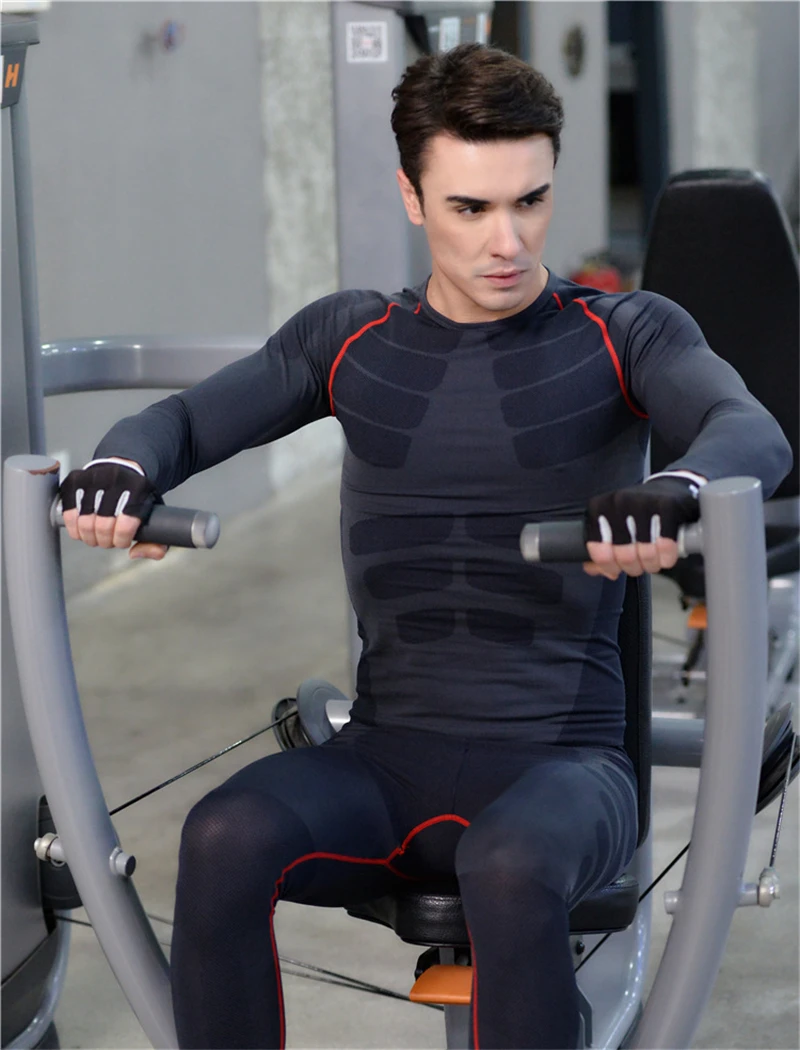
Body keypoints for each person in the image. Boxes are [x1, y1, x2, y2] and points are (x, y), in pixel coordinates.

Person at [59, 44, 792, 1050]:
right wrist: (122, 468)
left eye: (530, 201)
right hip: (385, 761)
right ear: (411, 197)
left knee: (508, 865)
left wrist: (674, 491)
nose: (507, 240)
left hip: (567, 769)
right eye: (469, 208)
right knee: (222, 836)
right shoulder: (350, 339)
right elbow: (181, 424)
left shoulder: (624, 332)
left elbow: (749, 430)